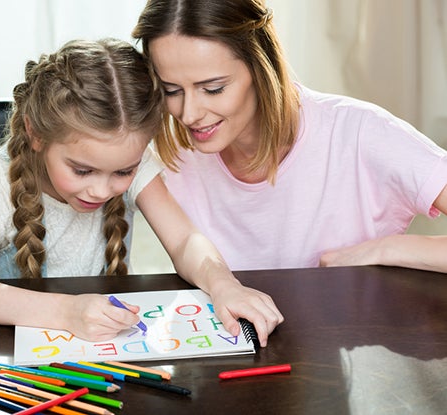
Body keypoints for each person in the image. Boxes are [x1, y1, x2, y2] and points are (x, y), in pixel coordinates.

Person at [0, 38, 283, 346]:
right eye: (82, 170)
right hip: (18, 360)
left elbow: (183, 240)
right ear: (35, 133)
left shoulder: (134, 157)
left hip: (105, 349)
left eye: (123, 171)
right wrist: (68, 312)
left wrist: (222, 283)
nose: (102, 189)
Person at [132, 0, 447, 273]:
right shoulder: (166, 158)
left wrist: (385, 250)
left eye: (213, 88)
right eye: (171, 90)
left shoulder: (361, 133)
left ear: (260, 67)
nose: (189, 114)